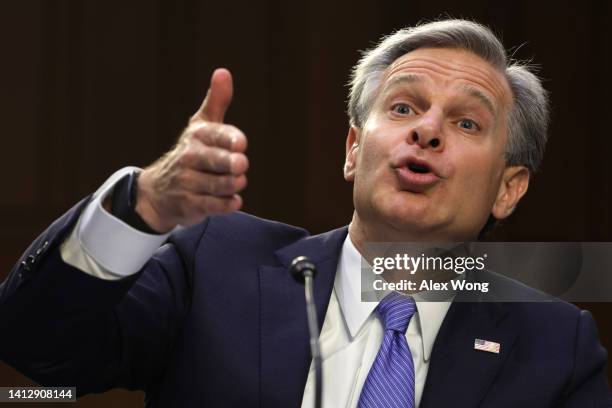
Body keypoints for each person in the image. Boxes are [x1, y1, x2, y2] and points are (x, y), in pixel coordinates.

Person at [0, 19, 610, 407]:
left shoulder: (555, 345)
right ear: (353, 151)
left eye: (466, 122)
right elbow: (37, 350)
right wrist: (143, 206)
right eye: (402, 108)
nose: (426, 131)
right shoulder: (216, 264)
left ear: (509, 189)